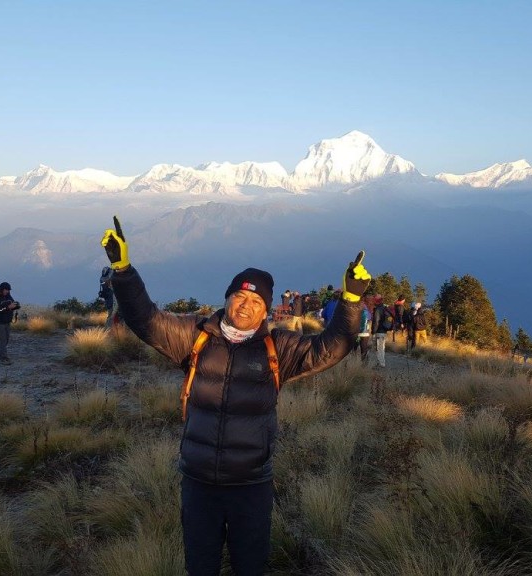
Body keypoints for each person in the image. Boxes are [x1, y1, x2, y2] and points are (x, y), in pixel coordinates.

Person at [100, 216, 370, 576]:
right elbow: (144, 320)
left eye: (256, 301)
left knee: (250, 566)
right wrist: (123, 271)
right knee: (201, 566)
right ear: (227, 297)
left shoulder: (278, 348)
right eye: (239, 296)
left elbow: (332, 348)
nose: (245, 305)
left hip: (251, 485)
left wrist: (350, 300)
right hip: (198, 483)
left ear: (266, 310)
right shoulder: (195, 336)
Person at [371, 295, 394, 368]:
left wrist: (373, 332)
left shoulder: (378, 309)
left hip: (379, 331)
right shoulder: (385, 308)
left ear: (376, 301)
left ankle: (381, 363)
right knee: (382, 348)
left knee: (379, 348)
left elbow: (376, 322)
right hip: (384, 331)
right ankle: (382, 362)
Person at [356, 297, 372, 362]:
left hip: (358, 332)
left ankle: (354, 361)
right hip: (365, 332)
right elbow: (369, 320)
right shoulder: (367, 311)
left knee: (354, 348)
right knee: (364, 349)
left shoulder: (359, 310)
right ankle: (364, 363)